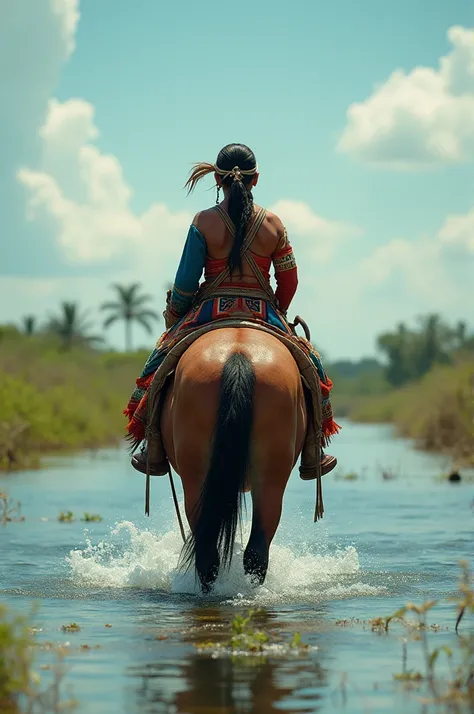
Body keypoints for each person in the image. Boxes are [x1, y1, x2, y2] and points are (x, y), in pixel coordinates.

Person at [124, 143, 340, 476]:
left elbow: (184, 283)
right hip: (264, 313)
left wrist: (175, 315)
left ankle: (153, 445)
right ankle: (313, 450)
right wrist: (277, 311)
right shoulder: (274, 225)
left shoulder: (203, 221)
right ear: (255, 179)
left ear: (218, 181)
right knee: (314, 369)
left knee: (156, 367)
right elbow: (290, 281)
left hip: (207, 313)